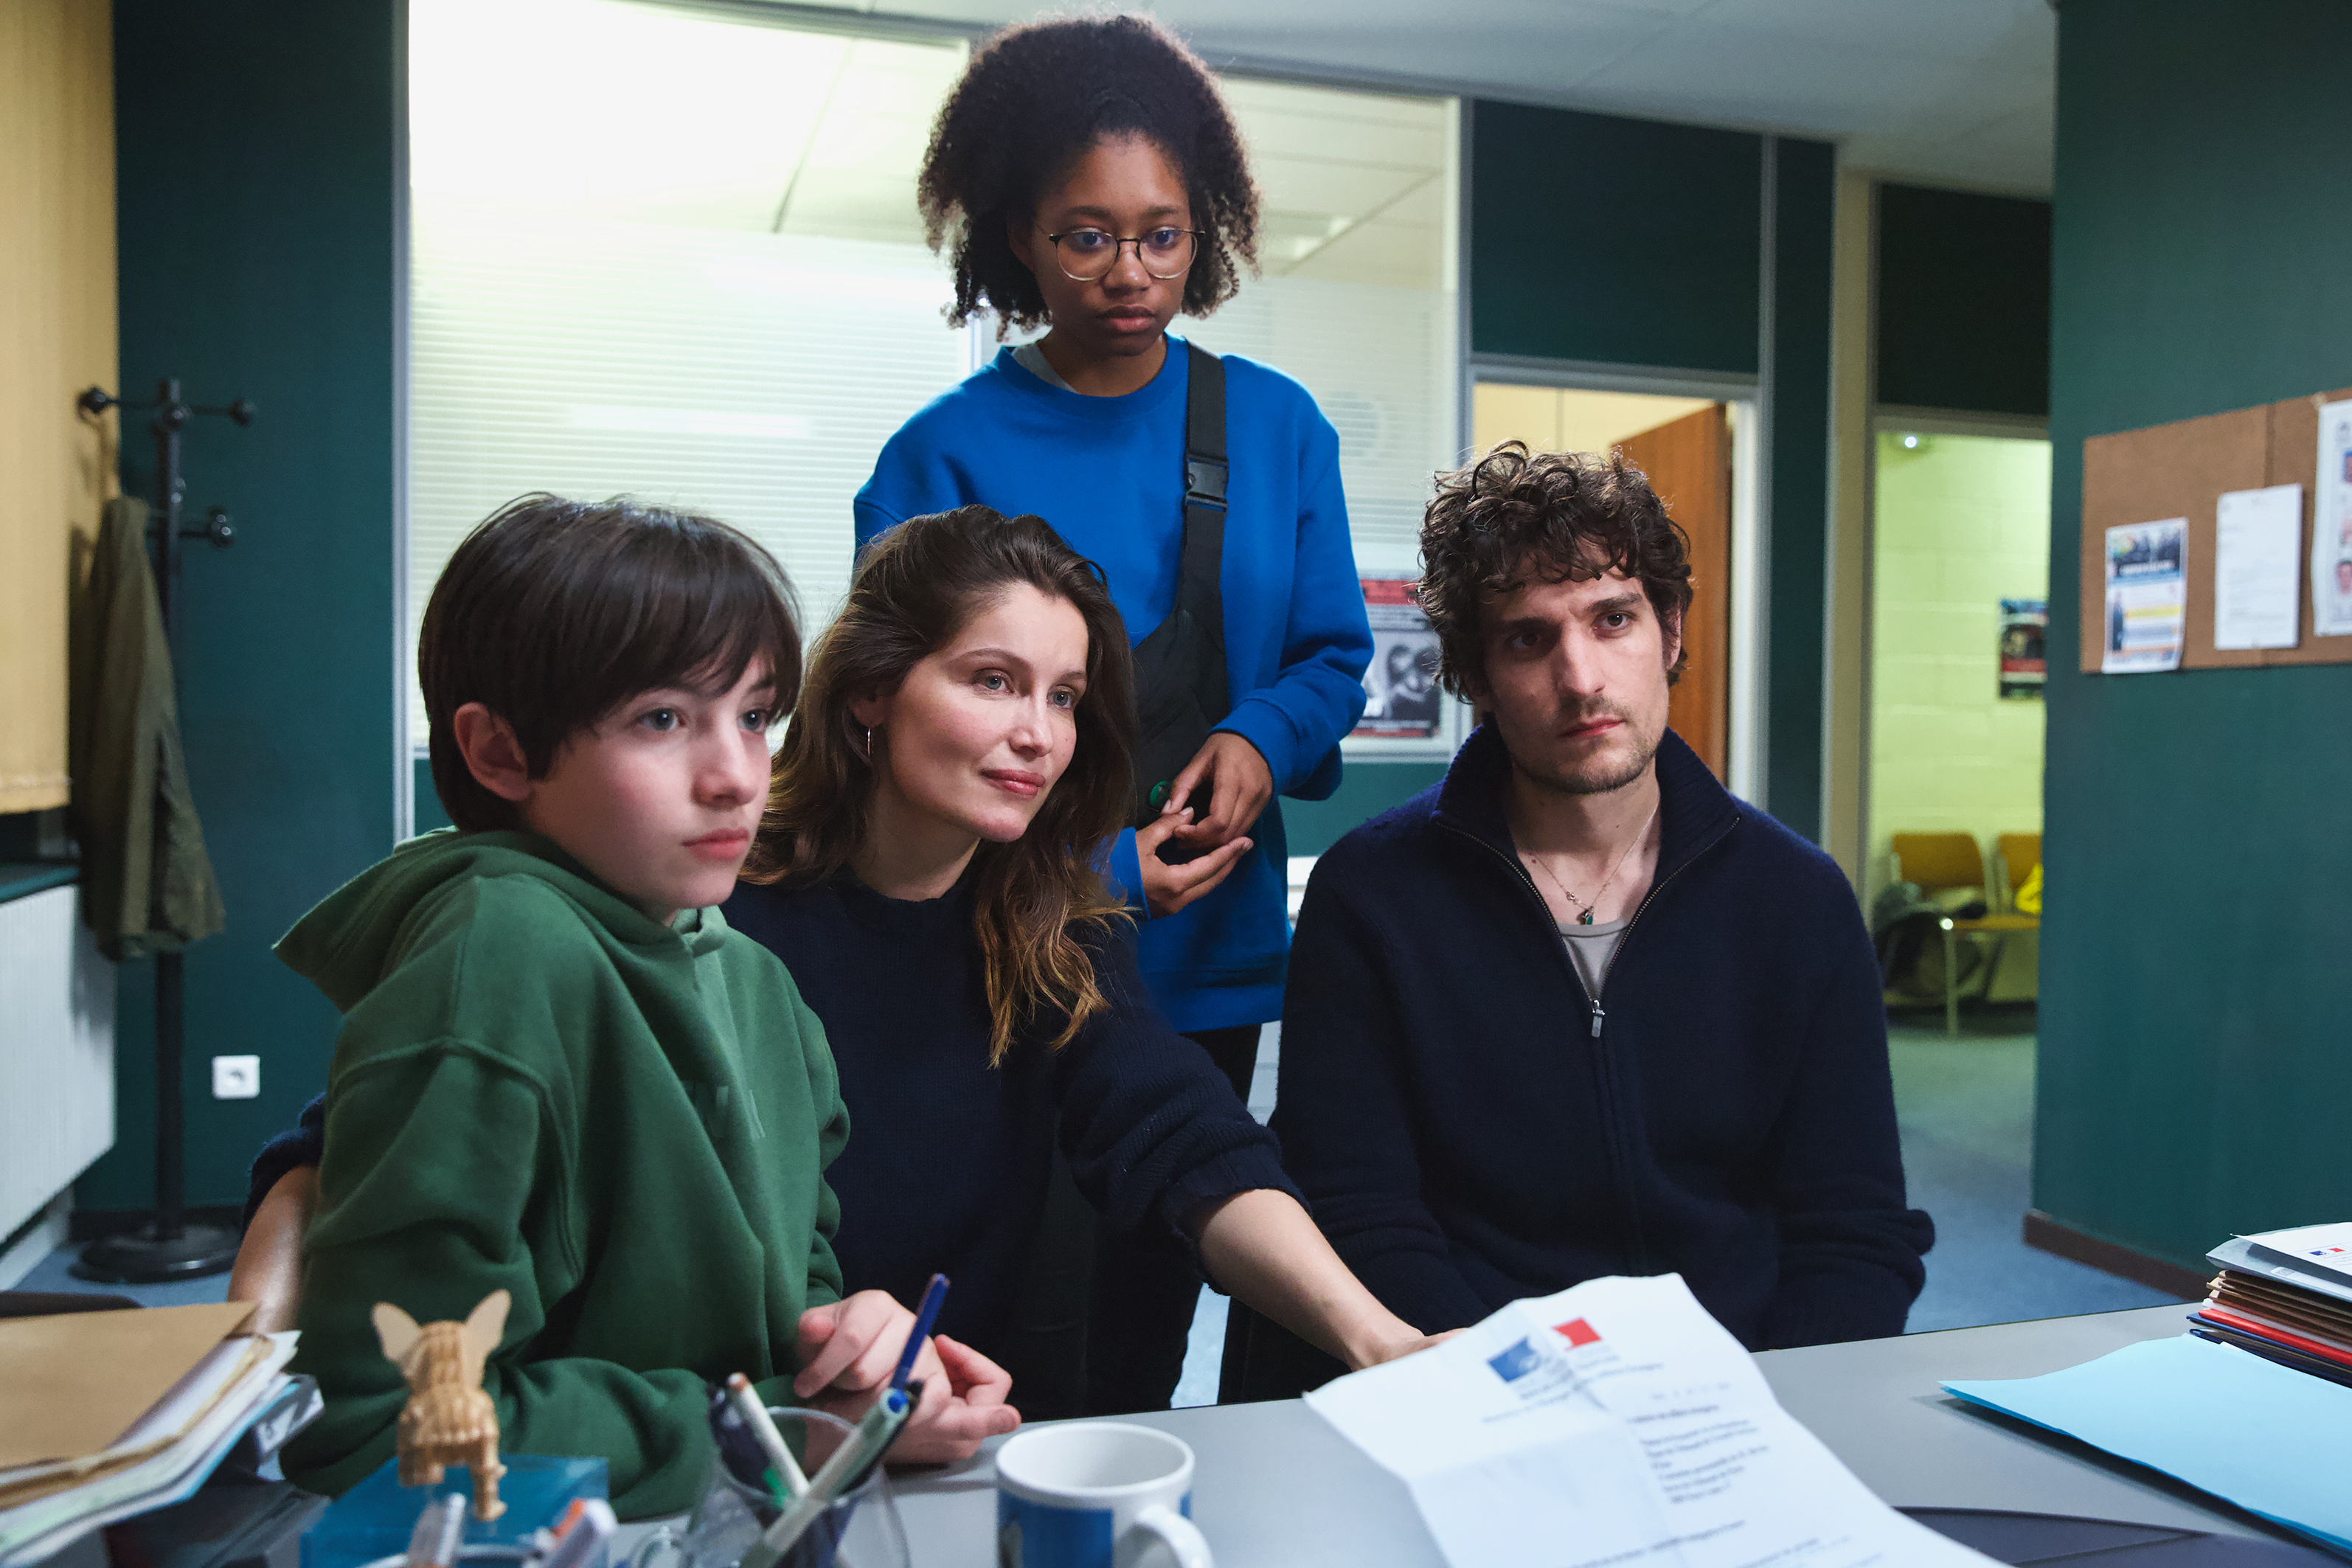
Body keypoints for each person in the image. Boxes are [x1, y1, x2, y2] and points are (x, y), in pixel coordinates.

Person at [247, 507, 1439, 1436]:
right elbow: (377, 1135)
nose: (1038, 733)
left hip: (866, 1411)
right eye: (992, 680)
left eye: (1065, 697)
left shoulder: (1047, 918)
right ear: (872, 689)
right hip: (655, 1432)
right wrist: (238, 1357)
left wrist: (1375, 1337)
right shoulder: (687, 887)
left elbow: (1176, 1125)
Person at [272, 496, 1002, 1518]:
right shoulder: (497, 954)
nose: (736, 777)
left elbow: (789, 1285)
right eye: (663, 719)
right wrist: (781, 1430)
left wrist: (852, 1357)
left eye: (755, 716)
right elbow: (385, 1425)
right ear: (500, 753)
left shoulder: (753, 979)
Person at [856, 13, 1373, 1412]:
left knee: (1148, 1322)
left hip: (1206, 962)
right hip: (991, 958)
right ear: (1015, 236)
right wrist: (1105, 871)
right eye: (1085, 237)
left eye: (1162, 235)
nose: (1131, 273)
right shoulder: (938, 456)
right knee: (1006, 1323)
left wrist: (1259, 736)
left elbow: (1333, 655)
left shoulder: (1276, 429)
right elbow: (891, 753)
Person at [1229, 443, 1932, 1398]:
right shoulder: (1373, 896)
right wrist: (1526, 1400)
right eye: (1528, 639)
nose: (1582, 677)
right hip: (1475, 1390)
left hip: (1733, 1399)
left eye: (1613, 619)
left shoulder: (1797, 899)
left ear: (1670, 631)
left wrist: (1776, 1409)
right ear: (1477, 675)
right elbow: (1364, 1215)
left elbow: (1852, 1233)